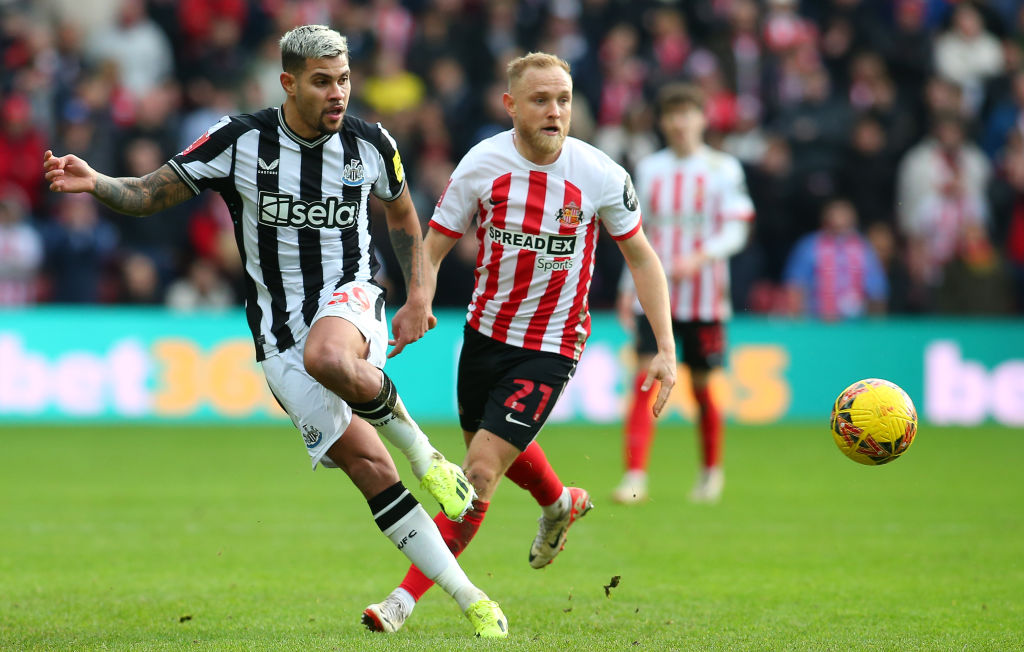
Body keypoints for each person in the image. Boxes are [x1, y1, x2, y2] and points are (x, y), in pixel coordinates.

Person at [43, 24, 507, 639]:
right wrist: (96, 181)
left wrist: (418, 292)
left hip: (351, 295)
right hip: (275, 333)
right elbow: (149, 193)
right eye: (322, 82)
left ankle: (428, 456)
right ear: (288, 83)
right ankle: (472, 599)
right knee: (370, 468)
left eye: (343, 79)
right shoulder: (240, 141)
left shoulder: (371, 143)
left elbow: (401, 214)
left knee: (330, 355)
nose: (337, 92)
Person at [361, 52, 677, 633]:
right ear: (511, 106)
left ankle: (402, 601)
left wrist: (665, 345)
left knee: (477, 473)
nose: (555, 111)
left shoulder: (601, 174)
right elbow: (434, 242)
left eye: (563, 99)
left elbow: (642, 257)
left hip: (553, 344)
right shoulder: (482, 164)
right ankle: (559, 504)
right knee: (496, 450)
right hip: (483, 337)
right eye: (540, 100)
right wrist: (418, 301)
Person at [613, 83, 754, 506]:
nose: (679, 122)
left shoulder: (724, 169)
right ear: (662, 122)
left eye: (687, 113)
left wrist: (701, 256)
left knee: (703, 386)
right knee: (644, 379)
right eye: (671, 114)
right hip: (655, 298)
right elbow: (636, 235)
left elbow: (737, 227)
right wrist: (626, 287)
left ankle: (711, 473)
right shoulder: (651, 169)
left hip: (707, 298)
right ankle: (634, 477)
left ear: (702, 119)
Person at [783, 197, 889, 321]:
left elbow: (877, 293)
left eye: (844, 214)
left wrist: (875, 328)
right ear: (825, 218)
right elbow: (795, 288)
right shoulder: (809, 247)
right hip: (815, 325)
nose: (840, 219)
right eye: (836, 213)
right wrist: (799, 323)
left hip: (856, 328)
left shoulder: (864, 249)